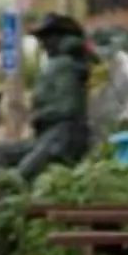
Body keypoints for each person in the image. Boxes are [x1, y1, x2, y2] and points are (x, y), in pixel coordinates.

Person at [13, 13, 93, 179]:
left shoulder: (64, 66)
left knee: (21, 175)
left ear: (58, 37)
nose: (43, 45)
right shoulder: (56, 65)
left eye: (46, 38)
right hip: (48, 135)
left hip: (62, 137)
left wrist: (38, 115)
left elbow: (68, 108)